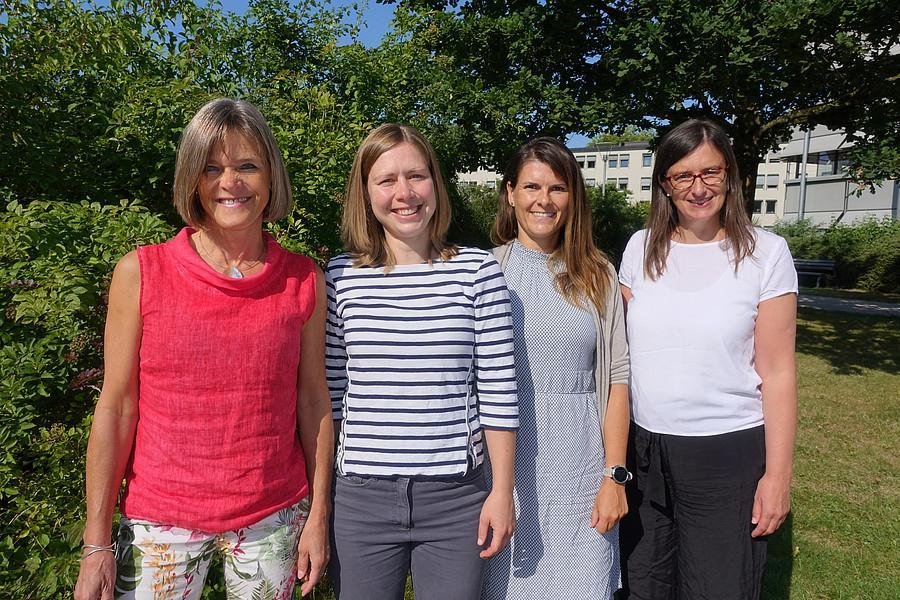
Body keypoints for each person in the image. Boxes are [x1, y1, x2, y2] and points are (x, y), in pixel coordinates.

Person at [73, 98, 333, 600]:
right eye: (211, 168)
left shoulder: (304, 280)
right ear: (192, 179)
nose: (229, 182)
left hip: (273, 520)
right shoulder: (142, 273)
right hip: (160, 524)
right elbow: (118, 407)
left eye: (247, 166)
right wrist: (96, 543)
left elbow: (313, 403)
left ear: (271, 177)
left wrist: (319, 513)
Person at [325, 123, 518, 600]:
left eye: (417, 175)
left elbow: (498, 390)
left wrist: (501, 492)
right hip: (360, 500)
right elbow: (328, 395)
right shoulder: (339, 276)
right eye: (386, 180)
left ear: (436, 183)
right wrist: (320, 501)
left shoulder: (476, 271)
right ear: (365, 193)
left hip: (456, 501)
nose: (405, 193)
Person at [617, 119, 798, 600]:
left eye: (711, 173)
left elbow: (778, 373)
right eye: (683, 176)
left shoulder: (766, 253)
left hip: (725, 453)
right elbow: (619, 354)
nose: (698, 188)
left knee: (719, 587)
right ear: (665, 184)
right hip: (645, 451)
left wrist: (777, 478)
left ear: (730, 176)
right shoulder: (640, 248)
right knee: (645, 584)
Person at [481, 137, 631, 598]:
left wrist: (615, 476)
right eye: (531, 187)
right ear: (510, 193)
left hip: (582, 464)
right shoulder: (485, 271)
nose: (543, 201)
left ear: (573, 197)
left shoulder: (598, 274)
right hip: (506, 466)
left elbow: (617, 381)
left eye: (557, 188)